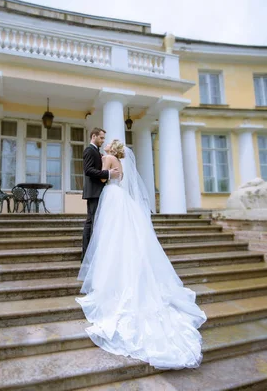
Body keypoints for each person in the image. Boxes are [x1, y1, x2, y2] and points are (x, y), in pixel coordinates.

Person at [77, 139, 207, 370]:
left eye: (108, 144)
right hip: (120, 198)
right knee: (123, 235)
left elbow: (101, 177)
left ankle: (111, 280)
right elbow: (118, 177)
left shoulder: (107, 159)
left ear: (111, 149)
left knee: (110, 236)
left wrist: (102, 174)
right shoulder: (121, 163)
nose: (105, 146)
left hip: (111, 198)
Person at [81, 127, 120, 261]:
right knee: (91, 222)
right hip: (94, 192)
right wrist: (108, 173)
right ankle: (86, 255)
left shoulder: (97, 152)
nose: (103, 141)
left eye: (104, 138)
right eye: (101, 138)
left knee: (95, 222)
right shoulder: (89, 150)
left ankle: (93, 254)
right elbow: (88, 171)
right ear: (94, 136)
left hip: (99, 192)